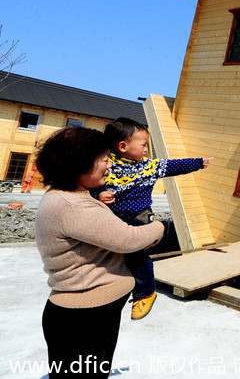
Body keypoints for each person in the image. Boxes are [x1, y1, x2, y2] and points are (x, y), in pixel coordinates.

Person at [35, 127, 164, 378]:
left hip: (91, 313)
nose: (109, 166)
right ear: (81, 163)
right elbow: (128, 239)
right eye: (104, 159)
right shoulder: (72, 205)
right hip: (84, 319)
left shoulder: (71, 195)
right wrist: (159, 226)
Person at [93, 117, 211, 320]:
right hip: (112, 218)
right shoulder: (105, 167)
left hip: (140, 217)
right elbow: (90, 186)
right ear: (123, 146)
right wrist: (99, 195)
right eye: (144, 144)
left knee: (137, 256)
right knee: (109, 254)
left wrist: (198, 163)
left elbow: (175, 166)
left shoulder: (149, 166)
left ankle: (145, 293)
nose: (147, 149)